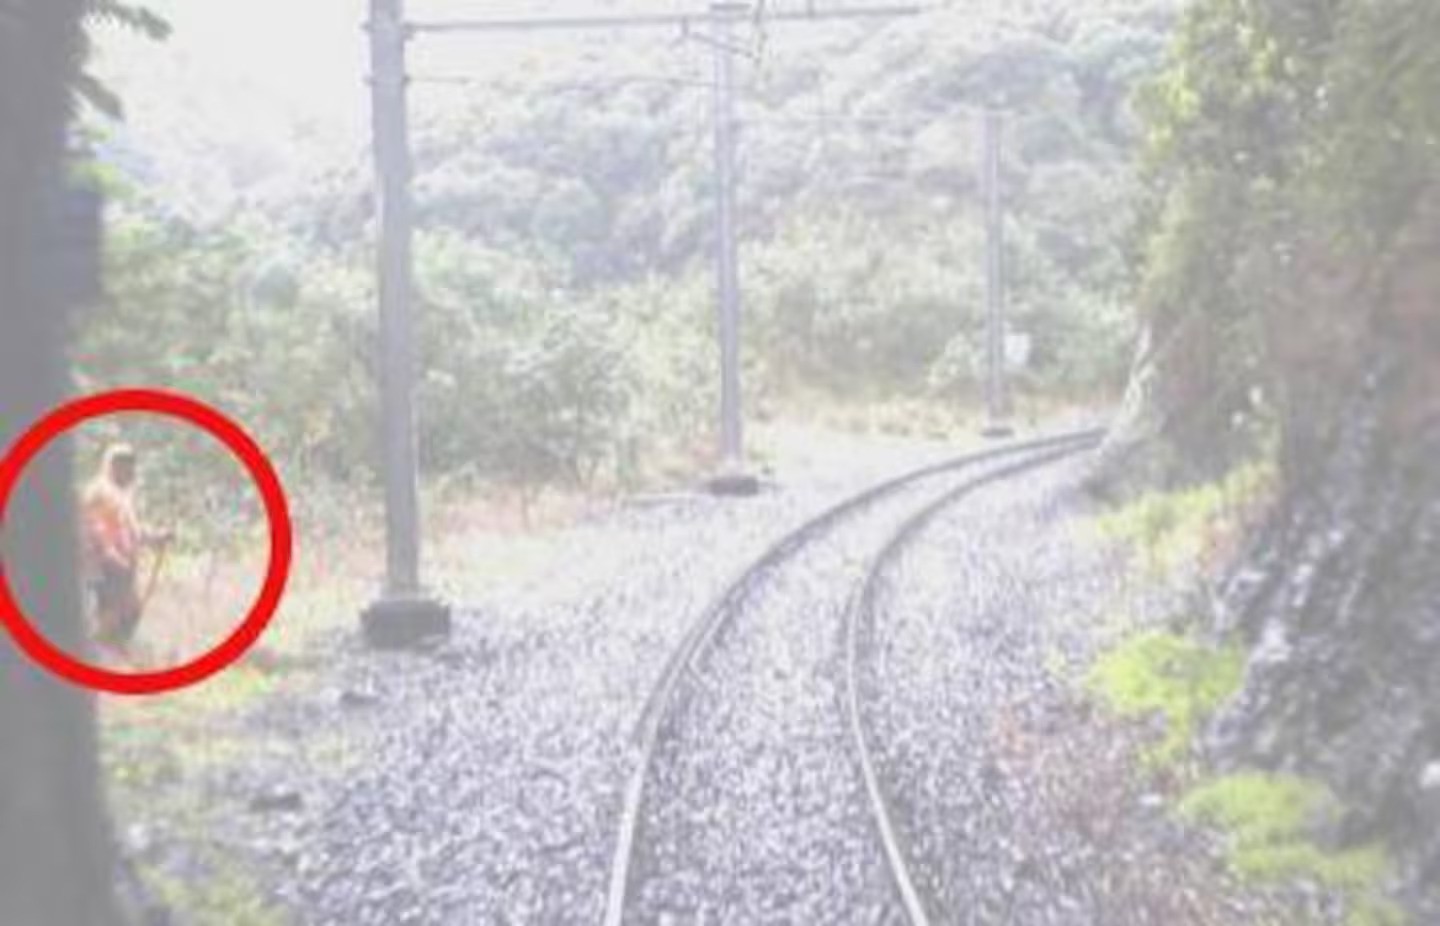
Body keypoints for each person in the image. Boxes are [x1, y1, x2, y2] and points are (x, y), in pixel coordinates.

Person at [80, 443, 171, 653]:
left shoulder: (120, 495)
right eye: (128, 468)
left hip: (121, 566)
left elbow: (130, 531)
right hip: (106, 567)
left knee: (129, 613)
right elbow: (95, 530)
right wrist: (111, 557)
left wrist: (156, 537)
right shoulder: (99, 493)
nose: (132, 474)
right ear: (114, 466)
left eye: (133, 468)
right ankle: (99, 654)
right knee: (116, 613)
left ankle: (112, 654)